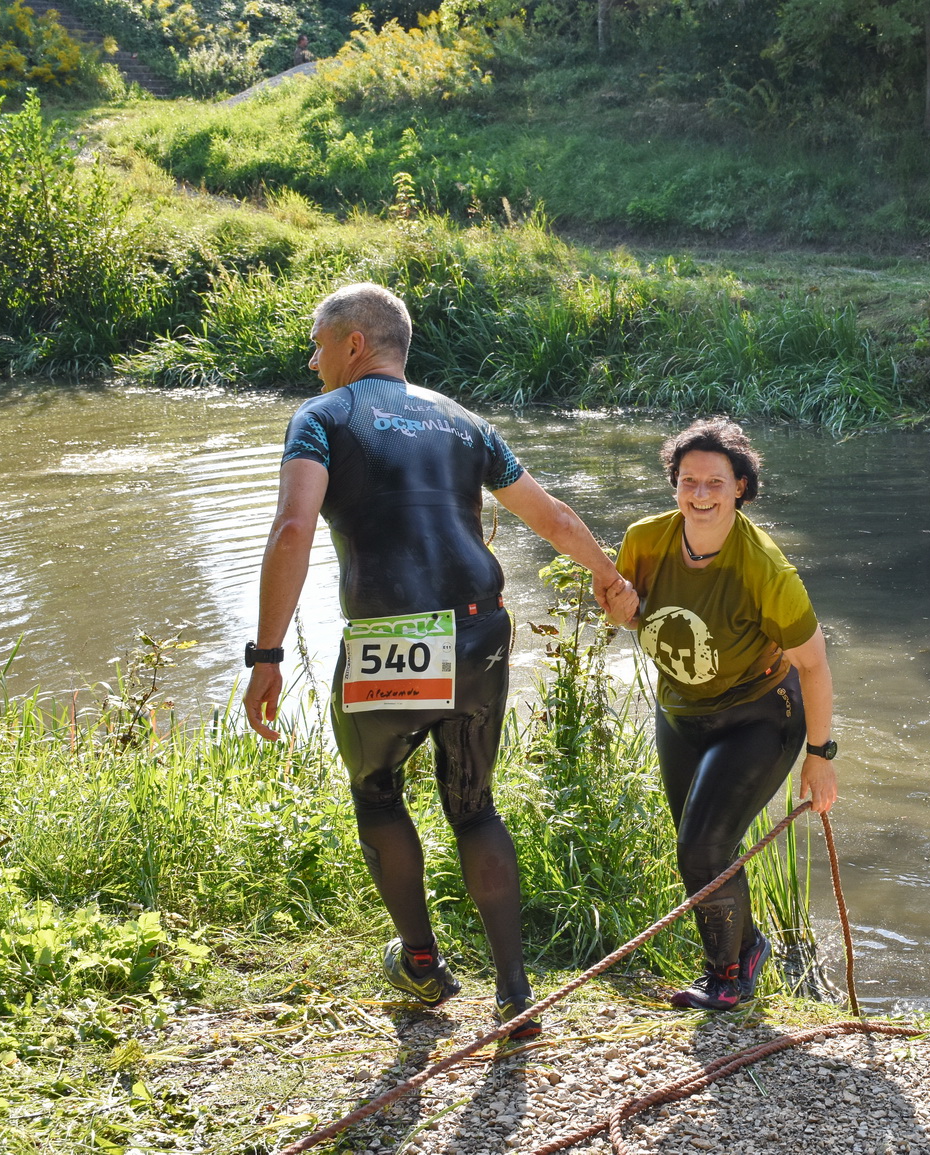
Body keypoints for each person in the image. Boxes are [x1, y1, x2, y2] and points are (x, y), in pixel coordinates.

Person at [243, 283, 637, 1035]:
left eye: (319, 341)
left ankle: (422, 964)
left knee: (378, 792)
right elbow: (551, 516)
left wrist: (266, 653)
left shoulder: (321, 418)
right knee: (474, 805)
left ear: (355, 343)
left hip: (392, 634)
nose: (312, 357)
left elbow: (293, 527)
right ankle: (517, 994)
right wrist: (607, 575)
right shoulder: (465, 422)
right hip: (479, 630)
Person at [607, 418, 839, 1011]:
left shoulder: (765, 570)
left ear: (741, 486)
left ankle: (728, 976)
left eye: (715, 482)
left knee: (703, 851)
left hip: (760, 715)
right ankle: (748, 945)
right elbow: (630, 614)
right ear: (675, 485)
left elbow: (813, 665)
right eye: (689, 481)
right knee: (700, 846)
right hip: (682, 712)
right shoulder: (645, 540)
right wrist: (618, 607)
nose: (701, 494)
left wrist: (819, 757)